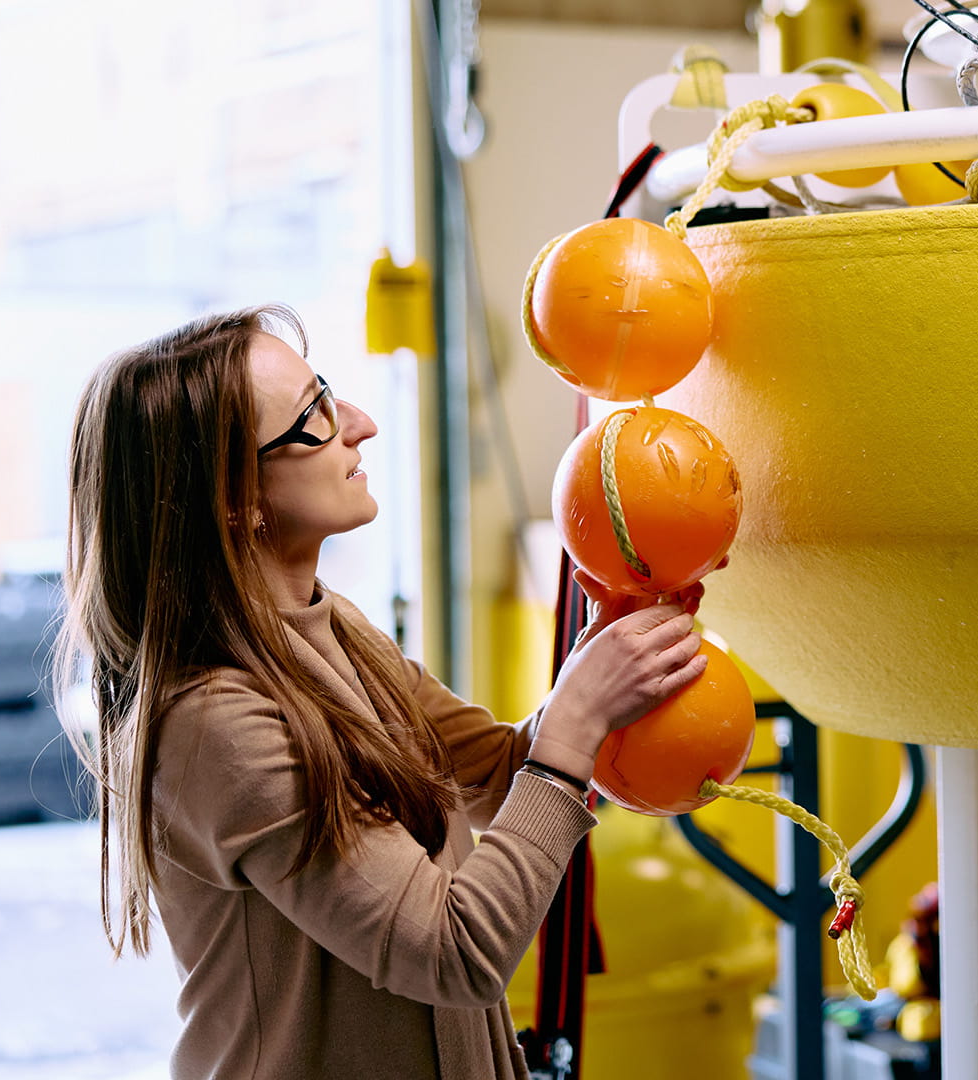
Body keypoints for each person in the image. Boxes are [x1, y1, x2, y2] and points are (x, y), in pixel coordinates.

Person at [53, 303, 707, 1080]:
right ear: (234, 499)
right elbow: (455, 953)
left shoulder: (331, 627)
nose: (359, 423)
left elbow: (503, 773)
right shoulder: (215, 724)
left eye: (328, 393)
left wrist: (609, 647)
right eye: (315, 419)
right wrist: (577, 718)